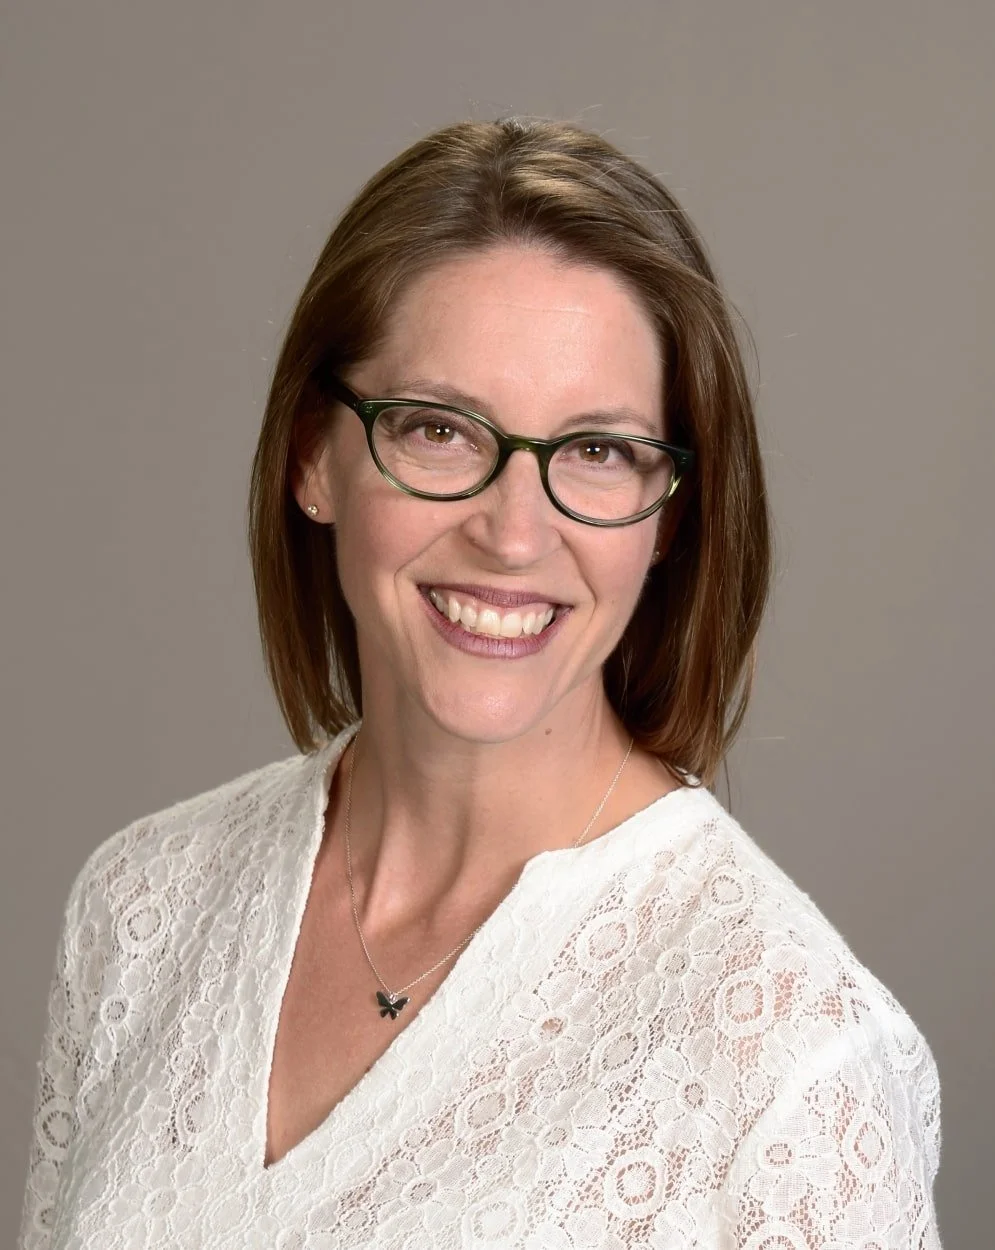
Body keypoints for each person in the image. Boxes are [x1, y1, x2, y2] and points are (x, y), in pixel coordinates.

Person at [18, 118, 942, 1249]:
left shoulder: (789, 1053)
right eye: (440, 430)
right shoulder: (144, 906)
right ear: (315, 455)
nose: (514, 532)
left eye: (598, 449)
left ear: (669, 517)